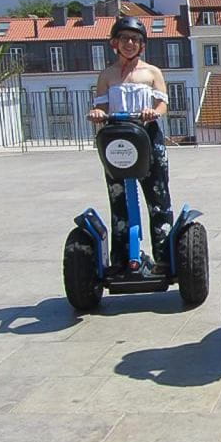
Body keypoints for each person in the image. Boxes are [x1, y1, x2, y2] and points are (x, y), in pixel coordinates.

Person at [87, 16, 173, 275]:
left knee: (158, 198)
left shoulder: (152, 72)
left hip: (147, 137)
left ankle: (164, 257)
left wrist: (153, 112)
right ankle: (123, 259)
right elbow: (101, 106)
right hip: (117, 140)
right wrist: (97, 114)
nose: (129, 43)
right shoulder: (107, 75)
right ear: (115, 42)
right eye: (124, 38)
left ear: (142, 45)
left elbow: (163, 104)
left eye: (135, 39)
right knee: (119, 200)